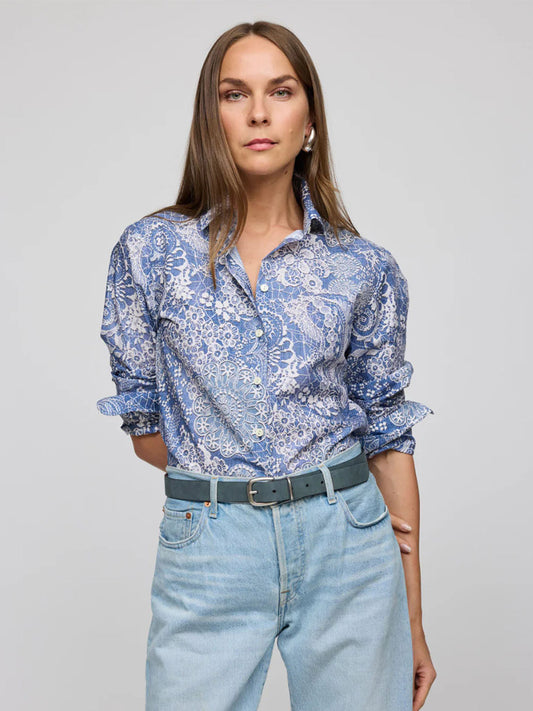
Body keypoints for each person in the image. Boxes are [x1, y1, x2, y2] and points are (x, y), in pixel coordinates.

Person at [96, 20, 437, 711]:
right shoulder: (149, 253)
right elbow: (144, 424)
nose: (257, 112)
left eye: (279, 91)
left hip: (349, 543)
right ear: (209, 115)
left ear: (308, 118)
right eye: (233, 93)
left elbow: (386, 436)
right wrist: (236, 486)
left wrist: (413, 618)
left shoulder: (361, 267)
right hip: (211, 546)